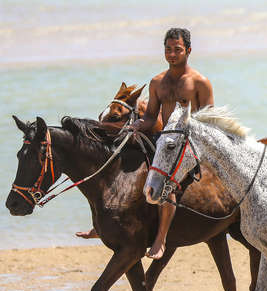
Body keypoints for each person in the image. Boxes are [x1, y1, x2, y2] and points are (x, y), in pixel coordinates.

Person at [76, 28, 214, 260]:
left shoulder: (200, 82)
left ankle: (160, 238)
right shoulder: (157, 82)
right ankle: (103, 225)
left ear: (188, 51)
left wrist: (190, 138)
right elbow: (151, 116)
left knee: (166, 177)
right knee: (122, 166)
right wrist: (138, 126)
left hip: (190, 141)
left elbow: (209, 120)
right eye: (168, 49)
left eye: (177, 50)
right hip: (164, 139)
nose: (172, 54)